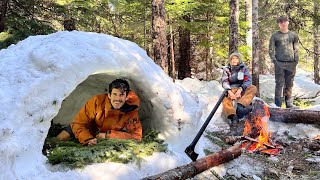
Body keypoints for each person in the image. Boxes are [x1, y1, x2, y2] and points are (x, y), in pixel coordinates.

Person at [57, 79, 142, 145]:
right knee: (72, 128)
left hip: (109, 136)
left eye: (121, 95)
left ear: (126, 97)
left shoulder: (131, 109)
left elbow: (137, 136)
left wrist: (109, 136)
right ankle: (52, 144)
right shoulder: (97, 101)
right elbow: (78, 123)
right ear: (109, 95)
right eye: (115, 94)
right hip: (90, 131)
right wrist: (88, 139)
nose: (117, 99)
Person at [269, 15, 299, 108]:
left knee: (289, 83)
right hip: (279, 63)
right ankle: (277, 104)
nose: (283, 23)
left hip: (291, 63)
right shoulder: (275, 35)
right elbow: (271, 49)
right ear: (278, 24)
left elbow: (296, 49)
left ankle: (289, 103)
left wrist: (296, 60)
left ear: (288, 22)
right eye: (281, 22)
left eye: (284, 21)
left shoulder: (293, 35)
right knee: (279, 83)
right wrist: (274, 60)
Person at [221, 52, 257, 126]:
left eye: (236, 58)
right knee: (224, 98)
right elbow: (224, 81)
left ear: (239, 60)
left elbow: (248, 80)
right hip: (231, 88)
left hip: (242, 88)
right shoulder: (227, 69)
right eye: (232, 58)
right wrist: (229, 91)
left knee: (253, 88)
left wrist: (240, 89)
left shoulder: (243, 68)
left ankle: (240, 106)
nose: (234, 60)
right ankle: (233, 116)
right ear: (230, 60)